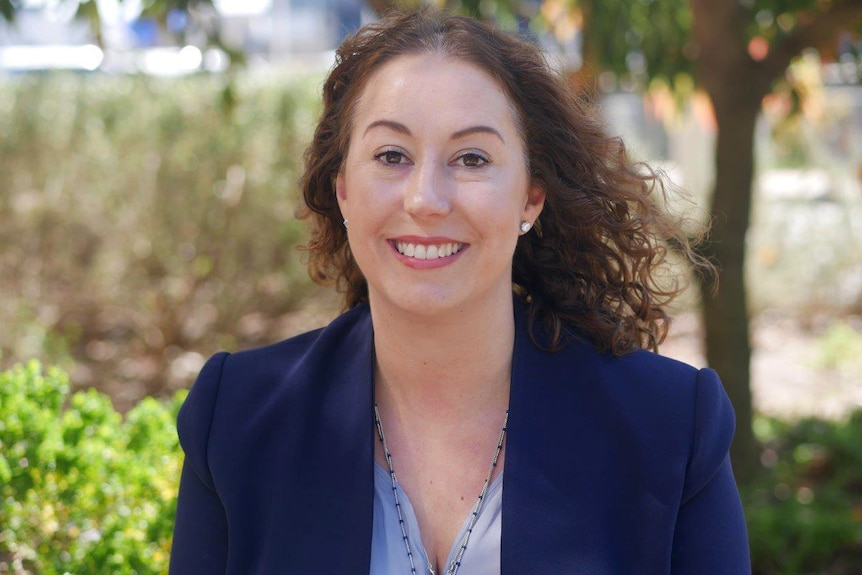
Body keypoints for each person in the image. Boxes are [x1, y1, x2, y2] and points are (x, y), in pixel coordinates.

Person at [169, 8, 750, 575]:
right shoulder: (236, 418)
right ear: (343, 189)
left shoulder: (670, 426)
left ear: (531, 196)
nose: (425, 199)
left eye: (472, 158)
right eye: (391, 156)